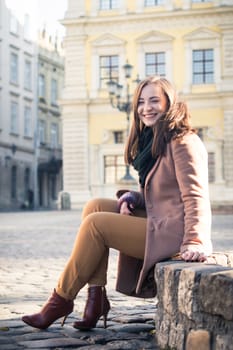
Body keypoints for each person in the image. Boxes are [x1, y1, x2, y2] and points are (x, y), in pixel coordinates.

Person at [22, 76, 212, 330]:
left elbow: (195, 195)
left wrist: (195, 240)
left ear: (169, 103)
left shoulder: (182, 142)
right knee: (95, 207)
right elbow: (163, 191)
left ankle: (61, 299)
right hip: (159, 220)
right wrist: (134, 197)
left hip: (173, 233)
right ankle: (96, 297)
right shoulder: (156, 140)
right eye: (141, 102)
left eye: (155, 100)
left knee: (95, 225)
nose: (146, 108)